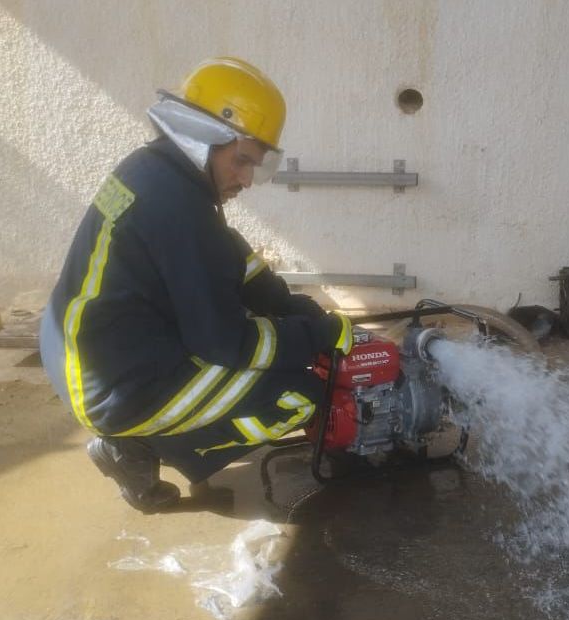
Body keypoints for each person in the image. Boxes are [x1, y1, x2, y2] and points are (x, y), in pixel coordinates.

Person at [40, 57, 351, 513]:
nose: (246, 179)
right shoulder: (179, 208)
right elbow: (225, 343)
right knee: (299, 395)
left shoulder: (157, 171)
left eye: (256, 165)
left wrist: (293, 306)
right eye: (241, 160)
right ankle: (134, 448)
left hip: (79, 354)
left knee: (266, 347)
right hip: (115, 387)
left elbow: (227, 255)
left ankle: (139, 440)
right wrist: (319, 335)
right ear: (202, 137)